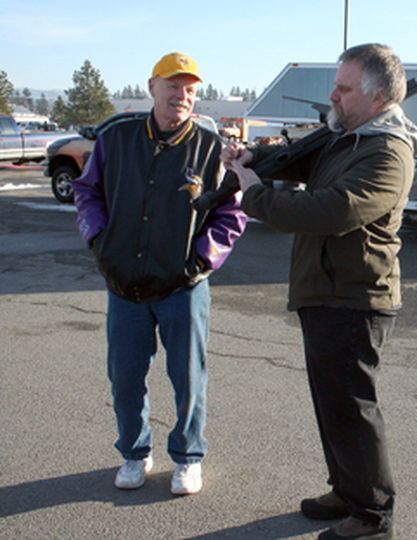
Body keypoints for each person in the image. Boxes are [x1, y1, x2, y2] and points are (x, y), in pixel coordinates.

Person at [223, 43, 417, 540]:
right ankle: (347, 491)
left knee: (353, 409)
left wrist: (253, 192)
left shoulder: (387, 151)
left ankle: (374, 518)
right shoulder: (350, 136)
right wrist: (257, 157)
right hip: (326, 292)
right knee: (332, 404)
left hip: (354, 299)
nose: (332, 94)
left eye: (344, 87)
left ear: (377, 98)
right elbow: (304, 160)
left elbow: (328, 210)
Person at [72, 52, 247, 495]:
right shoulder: (118, 139)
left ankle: (188, 457)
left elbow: (232, 213)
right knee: (126, 376)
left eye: (190, 89)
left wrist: (203, 260)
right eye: (173, 86)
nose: (181, 96)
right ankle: (134, 454)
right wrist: (99, 240)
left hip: (183, 287)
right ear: (152, 86)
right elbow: (87, 192)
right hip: (124, 285)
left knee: (189, 378)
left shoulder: (211, 148)